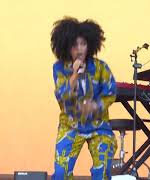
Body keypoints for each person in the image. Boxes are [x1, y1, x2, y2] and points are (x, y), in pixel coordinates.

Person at [51, 17, 117, 180]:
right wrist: (74, 74)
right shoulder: (59, 68)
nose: (79, 49)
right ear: (66, 47)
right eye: (74, 45)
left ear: (90, 45)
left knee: (101, 172)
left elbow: (111, 92)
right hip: (71, 126)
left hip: (99, 126)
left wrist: (95, 106)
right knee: (61, 174)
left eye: (83, 44)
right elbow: (62, 95)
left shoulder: (101, 67)